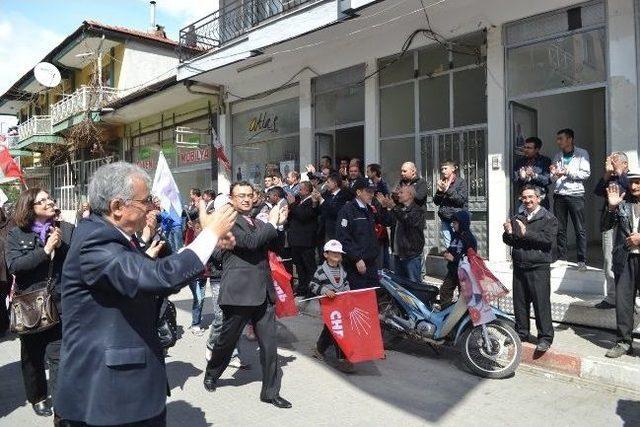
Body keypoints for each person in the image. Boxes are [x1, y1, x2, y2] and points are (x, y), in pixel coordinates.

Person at [54, 162, 237, 426]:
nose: (152, 207)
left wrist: (209, 242)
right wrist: (210, 233)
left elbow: (158, 276)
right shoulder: (96, 242)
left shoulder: (112, 235)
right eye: (145, 201)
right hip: (109, 397)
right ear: (117, 207)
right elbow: (158, 278)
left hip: (124, 391)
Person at [203, 181, 292, 409]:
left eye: (248, 195)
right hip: (239, 293)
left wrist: (279, 227)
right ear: (232, 199)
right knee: (226, 341)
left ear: (254, 197)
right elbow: (251, 243)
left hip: (263, 292)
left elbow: (275, 246)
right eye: (240, 195)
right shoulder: (228, 221)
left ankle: (270, 392)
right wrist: (271, 222)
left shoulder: (258, 222)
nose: (245, 199)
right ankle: (212, 373)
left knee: (270, 346)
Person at [5, 188, 75, 417]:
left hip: (61, 304)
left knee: (59, 358)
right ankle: (38, 396)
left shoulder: (66, 230)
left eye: (49, 199)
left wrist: (60, 244)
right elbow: (15, 266)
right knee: (33, 358)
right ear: (30, 208)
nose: (49, 202)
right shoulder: (16, 235)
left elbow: (78, 262)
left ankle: (62, 406)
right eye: (41, 200)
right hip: (30, 306)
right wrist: (45, 250)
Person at [503, 185, 558, 353]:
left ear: (538, 198)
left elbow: (547, 240)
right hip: (519, 265)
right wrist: (508, 233)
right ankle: (522, 332)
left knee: (541, 303)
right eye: (524, 198)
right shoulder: (517, 217)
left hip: (538, 267)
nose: (527, 200)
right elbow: (511, 241)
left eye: (530, 197)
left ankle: (545, 338)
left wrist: (526, 233)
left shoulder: (548, 218)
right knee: (520, 302)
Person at [602, 173, 640, 358]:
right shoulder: (622, 203)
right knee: (624, 304)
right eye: (632, 182)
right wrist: (611, 206)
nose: (634, 186)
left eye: (638, 182)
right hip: (624, 260)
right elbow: (605, 226)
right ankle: (624, 342)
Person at [336, 177, 390, 290]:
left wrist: (384, 207)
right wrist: (357, 258)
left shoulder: (370, 209)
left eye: (372, 192)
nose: (371, 195)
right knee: (359, 299)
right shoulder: (347, 210)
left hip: (371, 262)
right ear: (358, 192)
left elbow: (386, 221)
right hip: (356, 264)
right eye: (368, 191)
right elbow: (343, 237)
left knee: (372, 297)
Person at [309, 239, 353, 373]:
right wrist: (325, 291)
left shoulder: (343, 271)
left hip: (341, 304)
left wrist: (347, 291)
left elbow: (346, 284)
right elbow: (312, 285)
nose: (336, 255)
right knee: (335, 328)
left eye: (338, 253)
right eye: (333, 253)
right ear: (326, 254)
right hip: (329, 305)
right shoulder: (320, 271)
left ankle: (319, 349)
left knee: (332, 329)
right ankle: (343, 359)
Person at [550, 128, 591, 270]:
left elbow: (585, 174)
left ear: (570, 139)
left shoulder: (581, 154)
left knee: (579, 228)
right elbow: (553, 178)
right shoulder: (557, 156)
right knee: (560, 228)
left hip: (575, 195)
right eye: (558, 139)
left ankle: (582, 260)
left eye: (561, 138)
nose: (558, 141)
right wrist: (554, 174)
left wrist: (566, 172)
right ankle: (562, 258)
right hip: (559, 194)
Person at [594, 152, 629, 309]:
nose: (612, 164)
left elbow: (630, 189)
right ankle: (612, 297)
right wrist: (607, 173)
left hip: (627, 224)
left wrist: (620, 172)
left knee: (629, 261)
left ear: (625, 164)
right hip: (609, 222)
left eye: (614, 162)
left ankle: (629, 295)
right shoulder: (611, 179)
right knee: (608, 259)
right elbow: (597, 191)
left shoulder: (631, 178)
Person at [378, 185, 426, 282]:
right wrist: (383, 207)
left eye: (401, 193)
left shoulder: (417, 210)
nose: (398, 195)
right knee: (400, 287)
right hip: (398, 255)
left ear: (410, 195)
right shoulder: (399, 209)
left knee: (414, 286)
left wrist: (393, 207)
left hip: (411, 255)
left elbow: (408, 221)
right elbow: (385, 221)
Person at [287, 181, 320, 297]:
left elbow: (303, 216)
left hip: (306, 241)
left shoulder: (312, 202)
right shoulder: (299, 201)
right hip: (296, 240)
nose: (298, 191)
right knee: (300, 266)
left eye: (300, 189)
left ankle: (311, 290)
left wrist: (292, 205)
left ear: (306, 191)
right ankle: (302, 288)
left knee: (309, 266)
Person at [438, 210, 477, 306]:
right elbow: (452, 248)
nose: (453, 225)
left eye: (455, 223)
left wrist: (454, 259)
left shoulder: (469, 239)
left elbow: (471, 258)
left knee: (463, 297)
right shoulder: (455, 236)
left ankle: (462, 318)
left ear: (462, 223)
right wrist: (447, 253)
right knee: (444, 291)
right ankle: (446, 312)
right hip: (452, 271)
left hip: (464, 273)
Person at [433, 160, 468, 249]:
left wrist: (447, 190)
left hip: (456, 219)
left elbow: (461, 200)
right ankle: (452, 261)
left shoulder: (460, 182)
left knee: (458, 244)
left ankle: (458, 261)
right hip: (445, 218)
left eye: (445, 168)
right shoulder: (443, 182)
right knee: (449, 246)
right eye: (442, 169)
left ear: (452, 169)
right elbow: (436, 202)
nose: (443, 171)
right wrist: (440, 192)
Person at [512, 137, 552, 210]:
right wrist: (521, 177)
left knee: (541, 220)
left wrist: (534, 175)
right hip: (524, 198)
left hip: (540, 197)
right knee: (523, 219)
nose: (526, 150)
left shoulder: (545, 161)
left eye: (529, 148)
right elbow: (514, 179)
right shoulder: (520, 162)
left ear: (537, 149)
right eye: (525, 147)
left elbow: (547, 180)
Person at [319, 172, 350, 241]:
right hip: (325, 229)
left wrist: (321, 200)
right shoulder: (326, 194)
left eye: (328, 182)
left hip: (336, 229)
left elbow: (335, 211)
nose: (326, 184)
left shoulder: (343, 195)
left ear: (335, 183)